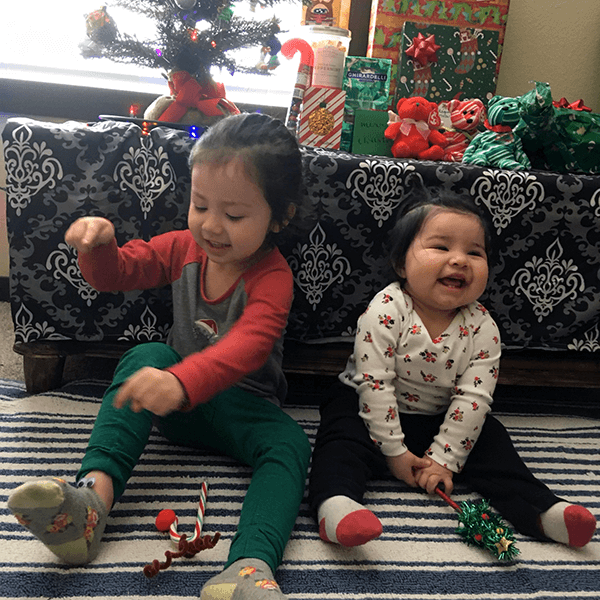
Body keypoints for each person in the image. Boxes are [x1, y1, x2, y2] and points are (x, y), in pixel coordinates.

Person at [8, 112, 312, 600]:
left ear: (280, 216)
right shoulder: (183, 247)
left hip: (245, 411)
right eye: (200, 205)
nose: (211, 226)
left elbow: (251, 343)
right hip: (173, 408)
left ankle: (250, 565)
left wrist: (184, 380)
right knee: (146, 353)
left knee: (292, 446)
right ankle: (89, 506)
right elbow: (118, 273)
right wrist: (99, 247)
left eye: (234, 216)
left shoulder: (271, 276)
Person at [308, 186, 596, 550]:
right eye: (441, 247)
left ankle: (543, 511)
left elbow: (474, 397)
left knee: (492, 439)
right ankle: (336, 505)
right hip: (367, 409)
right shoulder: (385, 310)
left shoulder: (483, 326)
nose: (459, 260)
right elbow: (373, 383)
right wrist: (395, 453)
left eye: (474, 252)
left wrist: (444, 460)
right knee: (339, 439)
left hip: (438, 417)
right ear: (402, 264)